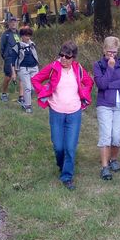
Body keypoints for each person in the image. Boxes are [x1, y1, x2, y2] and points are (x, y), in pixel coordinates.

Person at [32, 41, 93, 190]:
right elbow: (35, 79)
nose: (63, 59)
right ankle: (62, 165)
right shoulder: (53, 67)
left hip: (74, 113)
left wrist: (82, 95)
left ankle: (67, 176)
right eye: (61, 55)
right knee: (59, 147)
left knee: (70, 147)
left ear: (74, 57)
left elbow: (89, 82)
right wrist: (45, 92)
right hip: (56, 112)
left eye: (67, 56)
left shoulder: (78, 69)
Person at [93, 36, 120, 180]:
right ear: (104, 50)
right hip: (104, 104)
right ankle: (104, 167)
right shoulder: (98, 65)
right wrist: (110, 68)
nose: (112, 55)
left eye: (114, 52)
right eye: (109, 52)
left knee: (117, 136)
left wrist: (110, 84)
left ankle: (114, 159)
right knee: (106, 135)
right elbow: (101, 85)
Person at [12, 26, 39, 113]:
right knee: (27, 88)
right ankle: (28, 106)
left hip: (34, 68)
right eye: (26, 35)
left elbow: (35, 56)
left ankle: (25, 102)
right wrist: (14, 73)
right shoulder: (17, 46)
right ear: (22, 36)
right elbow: (12, 61)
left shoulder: (32, 44)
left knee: (34, 88)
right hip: (23, 69)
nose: (28, 37)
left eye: (29, 35)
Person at [0, 16, 21, 102]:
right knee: (8, 76)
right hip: (9, 57)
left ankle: (21, 96)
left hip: (19, 57)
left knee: (21, 76)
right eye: (11, 22)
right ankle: (4, 94)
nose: (13, 23)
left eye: (15, 22)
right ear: (9, 23)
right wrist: (5, 57)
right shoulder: (5, 34)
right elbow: (2, 47)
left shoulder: (19, 33)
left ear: (17, 23)